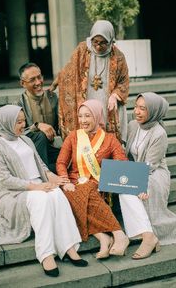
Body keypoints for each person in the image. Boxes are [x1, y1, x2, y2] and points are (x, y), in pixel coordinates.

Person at [0, 105, 88, 277]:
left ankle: (68, 247)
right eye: (18, 122)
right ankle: (46, 254)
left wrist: (53, 178)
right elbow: (6, 180)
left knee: (58, 194)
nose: (23, 125)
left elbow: (41, 165)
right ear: (6, 122)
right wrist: (37, 187)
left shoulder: (26, 140)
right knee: (41, 199)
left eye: (23, 121)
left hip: (38, 185)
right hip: (15, 193)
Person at [56, 99, 129, 259]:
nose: (83, 120)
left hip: (98, 184)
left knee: (87, 189)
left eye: (87, 116)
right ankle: (111, 236)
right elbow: (61, 162)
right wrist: (66, 181)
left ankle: (108, 238)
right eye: (80, 116)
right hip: (73, 183)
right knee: (78, 193)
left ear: (96, 116)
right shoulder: (73, 137)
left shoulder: (109, 139)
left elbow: (121, 162)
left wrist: (107, 178)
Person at [119, 92, 176, 260]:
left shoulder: (159, 133)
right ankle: (149, 236)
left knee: (128, 188)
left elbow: (150, 165)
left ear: (154, 111)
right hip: (137, 169)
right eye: (136, 106)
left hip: (155, 173)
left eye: (143, 108)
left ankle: (147, 238)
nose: (137, 111)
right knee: (122, 188)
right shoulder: (133, 125)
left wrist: (136, 181)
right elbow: (126, 153)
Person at [49, 20, 129, 141]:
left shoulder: (118, 56)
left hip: (106, 100)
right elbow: (68, 71)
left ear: (111, 41)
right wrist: (55, 83)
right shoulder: (82, 49)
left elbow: (124, 81)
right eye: (95, 42)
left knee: (104, 133)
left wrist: (115, 95)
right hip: (87, 98)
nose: (98, 46)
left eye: (103, 43)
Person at [15, 62, 61, 173]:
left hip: (53, 148)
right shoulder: (18, 105)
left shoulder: (52, 97)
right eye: (32, 80)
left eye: (39, 77)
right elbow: (16, 133)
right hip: (33, 150)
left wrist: (59, 81)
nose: (38, 82)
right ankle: (45, 174)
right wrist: (37, 125)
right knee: (40, 136)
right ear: (23, 83)